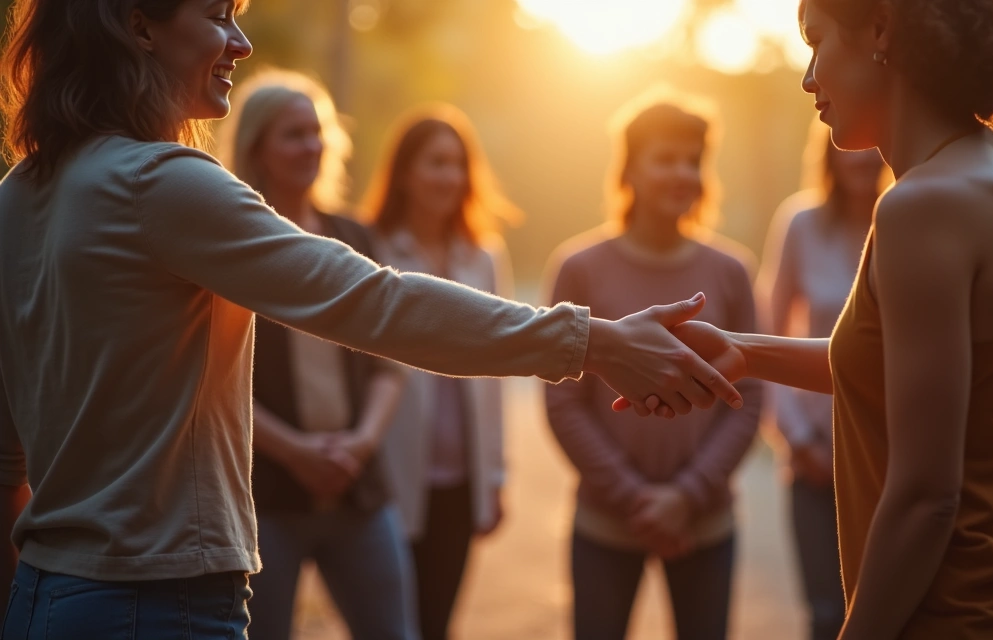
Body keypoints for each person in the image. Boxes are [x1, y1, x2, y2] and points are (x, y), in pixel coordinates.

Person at [0, 1, 743, 636]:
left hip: (43, 589)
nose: (241, 43)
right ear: (140, 27)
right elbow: (375, 302)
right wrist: (596, 340)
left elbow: (8, 453)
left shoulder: (18, 196)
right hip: (154, 598)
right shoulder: (162, 183)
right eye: (219, 14)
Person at [626, 0, 993, 636]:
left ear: (881, 29)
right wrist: (743, 350)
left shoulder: (922, 206)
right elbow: (926, 377)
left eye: (817, 41)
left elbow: (924, 499)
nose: (807, 76)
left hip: (967, 617)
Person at [545, 92, 763, 640]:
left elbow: (750, 399)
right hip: (605, 522)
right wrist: (636, 499)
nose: (682, 173)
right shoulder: (578, 269)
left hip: (704, 524)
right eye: (665, 158)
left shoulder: (733, 271)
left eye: (693, 160)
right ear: (630, 169)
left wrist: (685, 497)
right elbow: (563, 401)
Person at [213, 69, 417, 640]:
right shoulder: (229, 243)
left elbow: (389, 362)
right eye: (292, 134)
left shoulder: (355, 236)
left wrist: (358, 446)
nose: (311, 146)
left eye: (317, 131)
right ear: (257, 147)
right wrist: (298, 452)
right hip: (264, 497)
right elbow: (215, 379)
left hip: (359, 487)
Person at [361, 104, 517, 640]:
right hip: (387, 473)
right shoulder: (369, 248)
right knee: (385, 624)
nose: (450, 176)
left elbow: (499, 372)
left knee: (436, 624)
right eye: (435, 162)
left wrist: (494, 477)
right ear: (404, 173)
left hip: (459, 478)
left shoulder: (485, 257)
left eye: (458, 164)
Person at [757, 125, 888, 640]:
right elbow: (768, 334)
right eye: (851, 149)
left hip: (886, 454)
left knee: (885, 610)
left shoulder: (904, 220)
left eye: (874, 148)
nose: (862, 161)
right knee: (827, 614)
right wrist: (798, 439)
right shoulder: (800, 223)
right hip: (813, 458)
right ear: (829, 155)